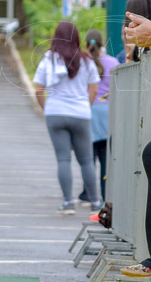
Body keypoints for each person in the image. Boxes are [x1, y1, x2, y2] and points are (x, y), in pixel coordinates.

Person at [33, 21, 101, 215]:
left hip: (55, 113)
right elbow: (94, 88)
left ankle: (68, 203)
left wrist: (47, 108)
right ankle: (95, 202)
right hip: (80, 113)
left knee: (63, 159)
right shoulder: (86, 60)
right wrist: (85, 105)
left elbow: (38, 89)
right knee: (86, 160)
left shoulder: (48, 59)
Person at [81, 29, 118, 203]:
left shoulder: (83, 63)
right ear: (102, 43)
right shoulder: (113, 62)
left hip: (90, 112)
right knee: (105, 159)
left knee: (88, 158)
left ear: (87, 44)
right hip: (108, 113)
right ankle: (105, 197)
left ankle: (88, 193)